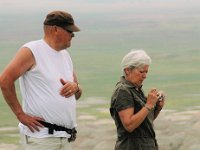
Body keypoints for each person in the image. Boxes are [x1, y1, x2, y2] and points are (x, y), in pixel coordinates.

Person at [0, 10, 82, 150]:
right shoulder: (32, 50)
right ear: (55, 29)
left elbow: (78, 94)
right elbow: (5, 80)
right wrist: (20, 114)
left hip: (66, 138)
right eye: (69, 31)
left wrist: (76, 87)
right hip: (41, 139)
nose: (72, 35)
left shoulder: (65, 55)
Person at [110, 50, 165, 150]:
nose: (144, 76)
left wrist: (157, 107)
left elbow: (145, 121)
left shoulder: (136, 89)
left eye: (146, 72)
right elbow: (129, 125)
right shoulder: (123, 91)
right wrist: (148, 105)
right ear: (127, 70)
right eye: (141, 72)